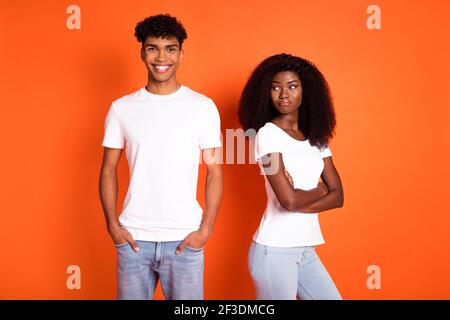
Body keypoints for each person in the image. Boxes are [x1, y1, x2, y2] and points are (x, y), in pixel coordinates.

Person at [99, 14, 223, 300]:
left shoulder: (202, 107)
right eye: (153, 48)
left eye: (170, 48)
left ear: (181, 54)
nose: (161, 57)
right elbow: (108, 170)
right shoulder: (121, 109)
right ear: (142, 52)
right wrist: (113, 227)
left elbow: (215, 171)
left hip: (184, 239)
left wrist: (205, 230)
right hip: (134, 241)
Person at [238, 53, 344, 300]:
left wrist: (302, 196)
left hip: (306, 250)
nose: (284, 94)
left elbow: (339, 197)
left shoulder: (317, 138)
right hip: (274, 251)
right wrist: (320, 190)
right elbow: (289, 201)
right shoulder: (267, 136)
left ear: (306, 91)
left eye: (292, 86)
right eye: (275, 88)